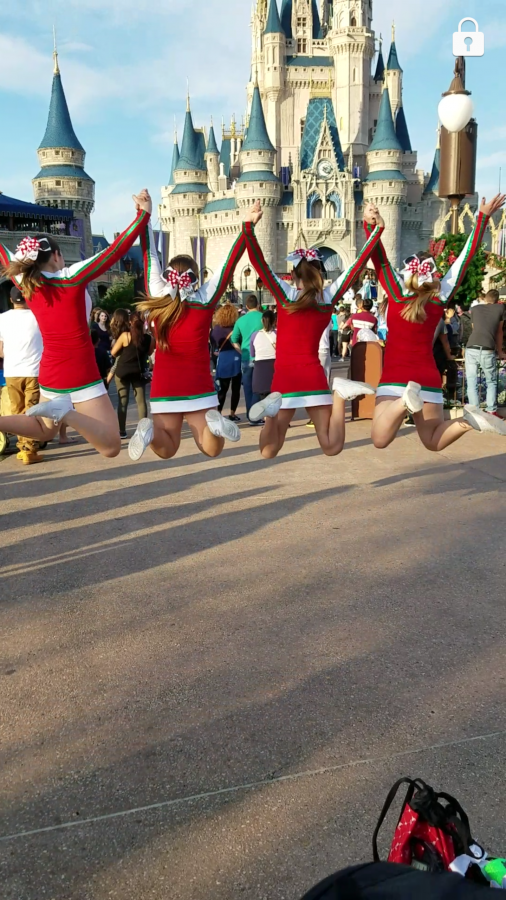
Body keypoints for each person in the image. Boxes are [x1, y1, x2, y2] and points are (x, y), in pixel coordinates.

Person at [0, 189, 152, 458]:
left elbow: (3, 253)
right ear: (57, 256)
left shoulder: (26, 283)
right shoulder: (70, 276)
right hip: (80, 371)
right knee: (111, 447)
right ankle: (67, 414)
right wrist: (142, 216)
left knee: (44, 431)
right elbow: (114, 252)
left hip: (50, 373)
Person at [363, 195, 506, 452]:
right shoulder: (440, 297)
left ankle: (403, 403)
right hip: (427, 377)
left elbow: (379, 259)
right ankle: (467, 421)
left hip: (396, 376)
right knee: (432, 440)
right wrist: (482, 218)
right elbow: (464, 259)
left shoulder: (397, 293)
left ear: (408, 272)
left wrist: (372, 226)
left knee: (379, 439)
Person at [241, 208, 384, 459]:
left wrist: (249, 227)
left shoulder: (286, 295)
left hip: (284, 379)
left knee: (268, 452)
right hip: (312, 376)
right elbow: (357, 265)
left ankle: (270, 415)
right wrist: (376, 230)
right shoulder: (327, 299)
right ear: (320, 272)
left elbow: (258, 264)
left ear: (294, 273)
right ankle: (339, 394)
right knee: (331, 447)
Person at [127, 197, 262, 462]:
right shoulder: (204, 300)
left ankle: (150, 432)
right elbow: (228, 265)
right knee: (212, 449)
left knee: (168, 449)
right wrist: (247, 225)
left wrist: (145, 215)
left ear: (167, 275)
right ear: (196, 277)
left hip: (165, 385)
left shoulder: (158, 298)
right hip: (198, 383)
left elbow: (149, 254)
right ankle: (215, 423)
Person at [0, 286, 43, 464]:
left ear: (11, 300)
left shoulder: (2, 318)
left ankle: (22, 446)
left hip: (11, 370)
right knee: (31, 410)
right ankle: (29, 449)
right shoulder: (37, 316)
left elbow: (1, 351)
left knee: (17, 411)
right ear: (28, 298)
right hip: (33, 370)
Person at [110, 309, 155, 438]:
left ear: (130, 322)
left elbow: (113, 352)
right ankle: (142, 431)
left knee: (123, 401)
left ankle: (122, 431)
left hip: (122, 371)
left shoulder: (125, 336)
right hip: (138, 372)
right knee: (141, 402)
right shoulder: (148, 338)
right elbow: (149, 352)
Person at [465, 289, 505, 416]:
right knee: (491, 381)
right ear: (497, 300)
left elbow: (474, 328)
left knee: (471, 381)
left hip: (471, 347)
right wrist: (500, 351)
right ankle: (491, 410)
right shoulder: (500, 309)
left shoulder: (475, 309)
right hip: (487, 348)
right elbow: (499, 332)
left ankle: (474, 412)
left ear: (485, 298)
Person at [230, 294, 263, 422]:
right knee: (260, 387)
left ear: (247, 306)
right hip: (261, 356)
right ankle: (256, 416)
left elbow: (234, 340)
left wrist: (241, 351)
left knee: (248, 388)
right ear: (258, 305)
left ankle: (251, 415)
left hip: (245, 356)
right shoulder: (263, 318)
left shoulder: (240, 320)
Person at [211, 302, 242, 422]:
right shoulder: (235, 327)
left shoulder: (216, 329)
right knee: (235, 388)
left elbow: (213, 344)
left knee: (222, 389)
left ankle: (219, 412)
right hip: (235, 357)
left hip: (223, 358)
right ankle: (232, 413)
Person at [250, 309, 277, 398]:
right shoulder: (277, 334)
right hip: (274, 366)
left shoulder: (255, 335)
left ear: (262, 320)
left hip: (260, 367)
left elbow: (252, 354)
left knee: (263, 399)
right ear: (274, 321)